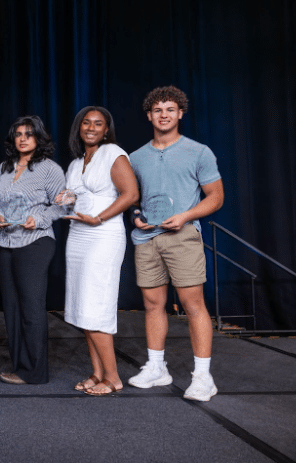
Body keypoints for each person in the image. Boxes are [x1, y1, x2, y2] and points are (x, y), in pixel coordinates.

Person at [127, 86, 224, 402]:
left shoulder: (199, 152)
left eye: (170, 109)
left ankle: (203, 377)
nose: (164, 115)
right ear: (149, 115)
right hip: (146, 239)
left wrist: (185, 216)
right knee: (153, 305)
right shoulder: (136, 157)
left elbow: (216, 197)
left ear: (180, 113)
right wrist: (137, 216)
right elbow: (134, 201)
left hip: (182, 237)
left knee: (192, 304)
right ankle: (157, 368)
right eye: (158, 110)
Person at [57, 106, 139, 396]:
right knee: (82, 307)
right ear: (79, 128)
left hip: (103, 234)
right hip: (78, 236)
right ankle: (97, 372)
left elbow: (131, 194)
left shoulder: (112, 152)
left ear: (106, 129)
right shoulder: (77, 161)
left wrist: (100, 217)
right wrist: (64, 198)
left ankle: (113, 378)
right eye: (86, 123)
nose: (91, 128)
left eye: (98, 124)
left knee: (96, 306)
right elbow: (73, 199)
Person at [0, 116, 65, 385]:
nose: (23, 138)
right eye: (18, 134)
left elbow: (64, 204)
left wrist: (41, 219)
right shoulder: (4, 168)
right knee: (11, 308)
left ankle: (34, 371)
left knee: (32, 308)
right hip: (6, 242)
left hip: (36, 242)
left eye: (29, 134)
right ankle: (20, 366)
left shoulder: (50, 169)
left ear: (39, 138)